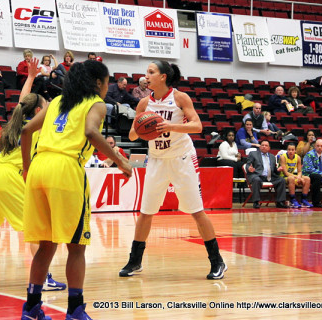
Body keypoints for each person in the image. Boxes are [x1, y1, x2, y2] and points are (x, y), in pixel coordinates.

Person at [19, 59, 132, 320]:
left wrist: (26, 170)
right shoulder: (96, 103)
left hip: (38, 168)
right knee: (76, 246)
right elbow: (91, 133)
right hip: (66, 170)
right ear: (98, 83)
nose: (107, 87)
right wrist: (120, 160)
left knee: (45, 246)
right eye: (107, 82)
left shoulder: (56, 101)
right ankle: (75, 310)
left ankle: (32, 309)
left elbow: (25, 131)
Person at [0, 58, 66, 293]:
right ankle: (43, 278)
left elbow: (22, 102)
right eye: (45, 104)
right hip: (8, 177)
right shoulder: (39, 127)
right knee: (35, 228)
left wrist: (30, 77)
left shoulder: (16, 121)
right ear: (39, 111)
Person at [119, 60, 226, 282]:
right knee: (146, 212)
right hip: (157, 160)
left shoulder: (180, 98)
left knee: (196, 211)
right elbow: (131, 135)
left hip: (182, 159)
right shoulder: (144, 103)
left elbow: (197, 126)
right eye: (146, 72)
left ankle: (217, 261)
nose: (146, 76)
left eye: (151, 72)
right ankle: (135, 260)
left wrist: (169, 126)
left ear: (163, 77)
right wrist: (143, 128)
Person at [246, 140, 287, 209]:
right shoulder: (253, 154)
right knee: (256, 179)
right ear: (260, 147)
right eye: (262, 145)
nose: (264, 147)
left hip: (270, 176)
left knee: (281, 180)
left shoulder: (272, 157)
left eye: (266, 145)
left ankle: (280, 202)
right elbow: (248, 164)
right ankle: (256, 202)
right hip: (258, 175)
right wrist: (249, 168)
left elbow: (274, 170)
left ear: (269, 148)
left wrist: (278, 170)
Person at [279, 143, 313, 208]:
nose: (291, 151)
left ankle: (304, 199)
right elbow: (286, 173)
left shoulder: (298, 157)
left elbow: (299, 171)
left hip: (293, 176)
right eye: (289, 150)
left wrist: (299, 177)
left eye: (292, 150)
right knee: (291, 178)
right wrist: (297, 177)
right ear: (287, 150)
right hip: (283, 177)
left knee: (307, 178)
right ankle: (292, 199)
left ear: (295, 151)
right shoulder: (283, 157)